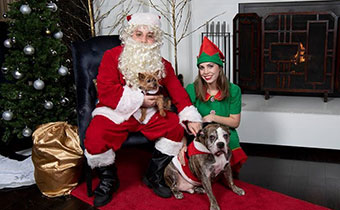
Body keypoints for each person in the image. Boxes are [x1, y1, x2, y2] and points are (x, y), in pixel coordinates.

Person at [83, 13, 202, 207]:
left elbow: (178, 93)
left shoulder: (162, 64)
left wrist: (190, 117)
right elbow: (106, 92)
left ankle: (154, 175)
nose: (144, 41)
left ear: (156, 39)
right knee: (96, 135)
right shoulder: (112, 57)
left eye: (150, 36)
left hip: (149, 115)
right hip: (116, 112)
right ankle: (108, 180)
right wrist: (140, 100)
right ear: (130, 36)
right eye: (138, 34)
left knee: (174, 125)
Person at [185, 36, 248, 175]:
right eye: (202, 68)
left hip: (225, 134)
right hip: (201, 135)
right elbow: (184, 115)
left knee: (228, 172)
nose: (205, 72)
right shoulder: (192, 88)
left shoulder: (233, 90)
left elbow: (234, 122)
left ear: (220, 67)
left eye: (210, 66)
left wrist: (211, 117)